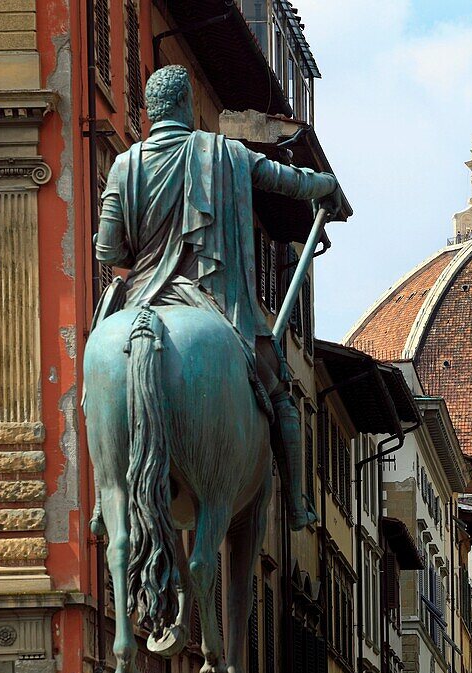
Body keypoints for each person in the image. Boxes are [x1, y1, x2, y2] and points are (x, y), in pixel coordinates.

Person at [93, 65, 340, 530]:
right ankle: (296, 502)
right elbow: (288, 181)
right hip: (215, 302)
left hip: (143, 299)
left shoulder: (126, 165)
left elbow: (109, 250)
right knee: (281, 393)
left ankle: (101, 495)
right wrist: (325, 185)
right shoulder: (225, 153)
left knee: (99, 380)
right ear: (186, 105)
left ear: (150, 111)